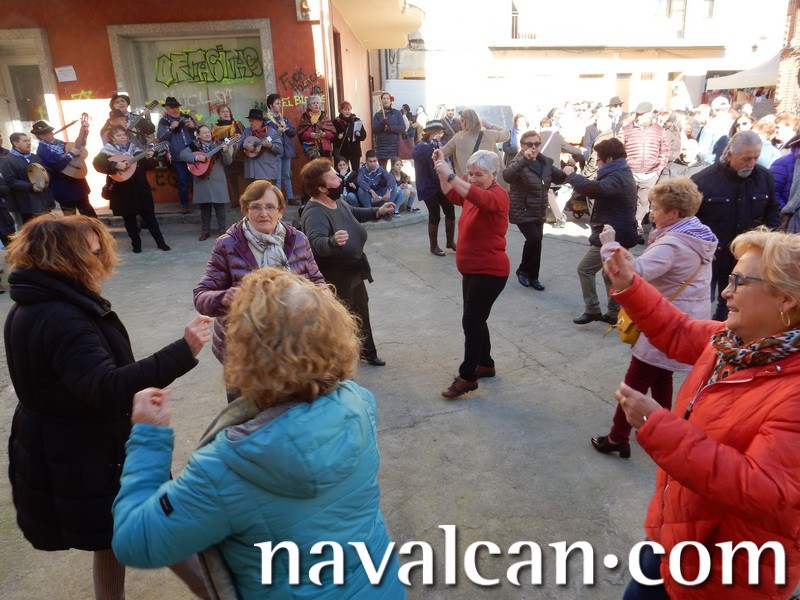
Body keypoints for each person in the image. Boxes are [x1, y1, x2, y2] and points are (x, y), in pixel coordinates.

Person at [113, 268, 405, 599]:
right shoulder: (360, 404)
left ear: (245, 352)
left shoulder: (226, 467)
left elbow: (135, 542)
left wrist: (148, 438)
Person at [5, 214, 211, 600]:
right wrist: (182, 351)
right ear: (66, 258)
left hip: (69, 444)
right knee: (165, 528)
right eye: (93, 252)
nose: (101, 259)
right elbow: (105, 387)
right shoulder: (63, 317)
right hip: (94, 452)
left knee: (110, 536)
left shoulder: (33, 303)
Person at [603, 227, 800, 600]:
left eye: (739, 282)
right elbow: (676, 330)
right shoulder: (733, 342)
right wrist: (629, 284)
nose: (725, 292)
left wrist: (659, 428)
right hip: (677, 529)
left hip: (727, 568)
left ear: (786, 300)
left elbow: (763, 489)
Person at [590, 178, 717, 459]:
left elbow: (630, 273)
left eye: (656, 208)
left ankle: (617, 438)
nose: (651, 213)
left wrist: (609, 246)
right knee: (662, 374)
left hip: (665, 321)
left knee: (634, 383)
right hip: (686, 319)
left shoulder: (673, 243)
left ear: (673, 213)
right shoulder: (697, 233)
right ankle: (662, 426)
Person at [193, 179, 325, 368]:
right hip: (245, 348)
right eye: (256, 207)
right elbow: (201, 297)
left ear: (281, 210)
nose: (264, 214)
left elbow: (317, 281)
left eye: (270, 207)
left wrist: (323, 297)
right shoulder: (228, 244)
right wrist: (224, 298)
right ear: (245, 210)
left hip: (293, 342)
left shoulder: (298, 239)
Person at [299, 158, 396, 367]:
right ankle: (338, 361)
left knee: (361, 310)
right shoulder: (315, 212)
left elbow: (353, 213)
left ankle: (367, 352)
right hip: (335, 276)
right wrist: (332, 241)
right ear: (321, 188)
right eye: (333, 177)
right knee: (338, 318)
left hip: (353, 270)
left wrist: (377, 211)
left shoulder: (337, 201)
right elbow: (315, 243)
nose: (339, 179)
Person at [432, 149, 509, 399]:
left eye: (480, 174)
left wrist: (451, 174)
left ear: (494, 174)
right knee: (476, 319)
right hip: (472, 270)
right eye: (470, 174)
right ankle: (485, 364)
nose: (473, 179)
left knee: (472, 322)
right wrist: (440, 167)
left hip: (490, 271)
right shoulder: (471, 192)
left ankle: (467, 377)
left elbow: (475, 195)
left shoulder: (497, 195)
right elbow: (450, 192)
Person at [692, 130, 780, 321]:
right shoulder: (703, 180)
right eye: (746, 158)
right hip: (711, 256)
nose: (752, 163)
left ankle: (721, 334)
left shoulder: (764, 177)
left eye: (756, 157)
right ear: (730, 154)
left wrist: (770, 242)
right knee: (701, 303)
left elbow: (772, 211)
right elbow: (690, 220)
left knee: (732, 306)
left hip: (746, 257)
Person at [567, 137, 638, 325]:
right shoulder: (621, 171)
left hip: (612, 234)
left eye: (598, 160)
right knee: (610, 274)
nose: (596, 163)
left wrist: (572, 175)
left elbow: (595, 189)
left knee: (584, 269)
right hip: (618, 231)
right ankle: (613, 313)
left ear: (608, 159)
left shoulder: (617, 177)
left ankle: (593, 310)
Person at [503, 130, 569, 292]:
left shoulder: (545, 161)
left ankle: (534, 276)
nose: (534, 147)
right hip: (522, 209)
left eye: (537, 144)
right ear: (522, 145)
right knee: (533, 239)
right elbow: (507, 176)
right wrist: (524, 159)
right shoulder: (518, 161)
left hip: (539, 209)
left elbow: (559, 178)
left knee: (537, 242)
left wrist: (569, 169)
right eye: (529, 144)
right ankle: (522, 270)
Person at [92, 125, 171, 253]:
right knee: (129, 219)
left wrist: (149, 157)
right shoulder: (106, 151)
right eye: (118, 135)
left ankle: (161, 242)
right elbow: (97, 164)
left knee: (150, 217)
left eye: (124, 135)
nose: (122, 137)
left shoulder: (136, 150)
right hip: (122, 190)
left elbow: (150, 166)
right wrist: (115, 164)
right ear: (112, 138)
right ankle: (136, 244)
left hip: (140, 188)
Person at [619, 102, 670, 240]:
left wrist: (658, 169)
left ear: (649, 114)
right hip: (630, 172)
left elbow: (665, 151)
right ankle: (626, 227)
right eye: (638, 114)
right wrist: (624, 168)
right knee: (627, 200)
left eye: (643, 114)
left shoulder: (659, 130)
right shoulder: (626, 129)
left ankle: (637, 227)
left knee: (644, 203)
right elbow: (619, 150)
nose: (639, 117)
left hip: (650, 173)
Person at [32, 119, 98, 218]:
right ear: (41, 136)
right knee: (70, 215)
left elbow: (78, 147)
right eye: (47, 132)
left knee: (87, 209)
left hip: (77, 180)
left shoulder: (60, 143)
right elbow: (56, 164)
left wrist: (83, 131)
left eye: (50, 131)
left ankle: (95, 228)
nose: (51, 133)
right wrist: (71, 154)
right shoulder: (42, 150)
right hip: (62, 186)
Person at [180, 124, 232, 241]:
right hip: (202, 180)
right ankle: (205, 231)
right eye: (204, 132)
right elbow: (182, 154)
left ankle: (222, 230)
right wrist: (196, 158)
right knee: (205, 208)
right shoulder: (194, 146)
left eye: (208, 132)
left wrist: (225, 152)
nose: (208, 134)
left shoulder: (219, 144)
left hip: (217, 180)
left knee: (220, 208)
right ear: (198, 135)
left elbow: (228, 162)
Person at [413, 120, 457, 256]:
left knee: (450, 211)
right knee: (435, 215)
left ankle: (450, 241)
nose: (439, 135)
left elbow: (447, 160)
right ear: (429, 133)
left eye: (441, 132)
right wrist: (432, 143)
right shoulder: (421, 145)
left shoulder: (441, 144)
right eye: (436, 132)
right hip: (428, 185)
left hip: (442, 184)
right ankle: (434, 246)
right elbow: (418, 156)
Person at [0, 132, 55, 223]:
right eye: (25, 141)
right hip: (26, 205)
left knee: (49, 226)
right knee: (33, 229)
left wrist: (45, 180)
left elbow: (46, 171)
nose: (29, 143)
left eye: (29, 140)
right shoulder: (8, 160)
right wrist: (30, 186)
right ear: (16, 143)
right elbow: (10, 181)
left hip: (44, 201)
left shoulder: (35, 157)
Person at [440, 108, 510, 177]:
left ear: (463, 122)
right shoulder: (489, 134)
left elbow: (441, 154)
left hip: (468, 182)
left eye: (461, 122)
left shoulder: (457, 138)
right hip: (488, 180)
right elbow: (507, 134)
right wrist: (488, 124)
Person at [156, 96, 196, 214]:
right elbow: (161, 139)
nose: (174, 110)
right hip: (177, 156)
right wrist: (170, 128)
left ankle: (200, 202)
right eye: (171, 107)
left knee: (196, 179)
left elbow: (199, 132)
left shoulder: (187, 117)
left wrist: (194, 127)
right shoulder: (163, 122)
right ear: (167, 109)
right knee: (182, 181)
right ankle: (185, 205)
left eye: (176, 107)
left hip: (192, 154)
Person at [265, 93, 298, 203]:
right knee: (277, 177)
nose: (280, 105)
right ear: (271, 105)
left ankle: (290, 197)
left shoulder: (284, 118)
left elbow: (293, 133)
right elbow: (267, 137)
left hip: (286, 150)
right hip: (275, 151)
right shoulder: (267, 120)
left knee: (286, 175)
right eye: (277, 103)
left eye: (280, 103)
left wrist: (285, 127)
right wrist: (278, 131)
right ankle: (278, 200)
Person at [211, 103, 245, 206]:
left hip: (240, 154)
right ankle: (235, 200)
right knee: (231, 178)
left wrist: (239, 143)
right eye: (223, 112)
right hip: (227, 155)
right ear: (219, 114)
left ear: (230, 113)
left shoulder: (237, 123)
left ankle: (246, 199)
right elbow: (214, 142)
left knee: (244, 178)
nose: (225, 113)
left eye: (227, 111)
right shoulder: (216, 128)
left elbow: (244, 135)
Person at [240, 108, 284, 185]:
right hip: (250, 174)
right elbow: (239, 144)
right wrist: (244, 145)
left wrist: (271, 146)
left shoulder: (272, 132)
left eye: (252, 121)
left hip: (266, 173)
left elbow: (280, 150)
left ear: (260, 121)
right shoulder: (246, 132)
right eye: (250, 121)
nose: (250, 123)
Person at [371, 91, 405, 169]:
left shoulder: (397, 113)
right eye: (383, 98)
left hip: (394, 145)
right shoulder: (378, 115)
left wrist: (391, 129)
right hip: (382, 146)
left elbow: (402, 127)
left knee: (395, 168)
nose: (386, 100)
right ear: (381, 101)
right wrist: (381, 124)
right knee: (382, 169)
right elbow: (374, 130)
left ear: (390, 101)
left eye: (387, 98)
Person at [297, 94, 336, 161]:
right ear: (309, 106)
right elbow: (301, 134)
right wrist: (310, 135)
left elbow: (333, 133)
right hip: (312, 148)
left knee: (326, 166)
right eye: (314, 103)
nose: (316, 105)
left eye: (318, 103)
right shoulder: (305, 118)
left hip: (325, 148)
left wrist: (324, 134)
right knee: (315, 166)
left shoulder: (324, 117)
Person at [698, 95, 734, 163]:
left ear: (713, 110)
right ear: (727, 109)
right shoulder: (735, 124)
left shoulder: (710, 125)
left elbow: (703, 150)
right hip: (729, 163)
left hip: (711, 163)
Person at [333, 100, 367, 173]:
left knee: (356, 171)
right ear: (341, 111)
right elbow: (332, 137)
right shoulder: (336, 122)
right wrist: (337, 136)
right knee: (344, 171)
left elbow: (364, 135)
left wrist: (359, 134)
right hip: (343, 151)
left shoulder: (356, 120)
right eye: (345, 110)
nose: (347, 112)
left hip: (355, 151)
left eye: (348, 110)